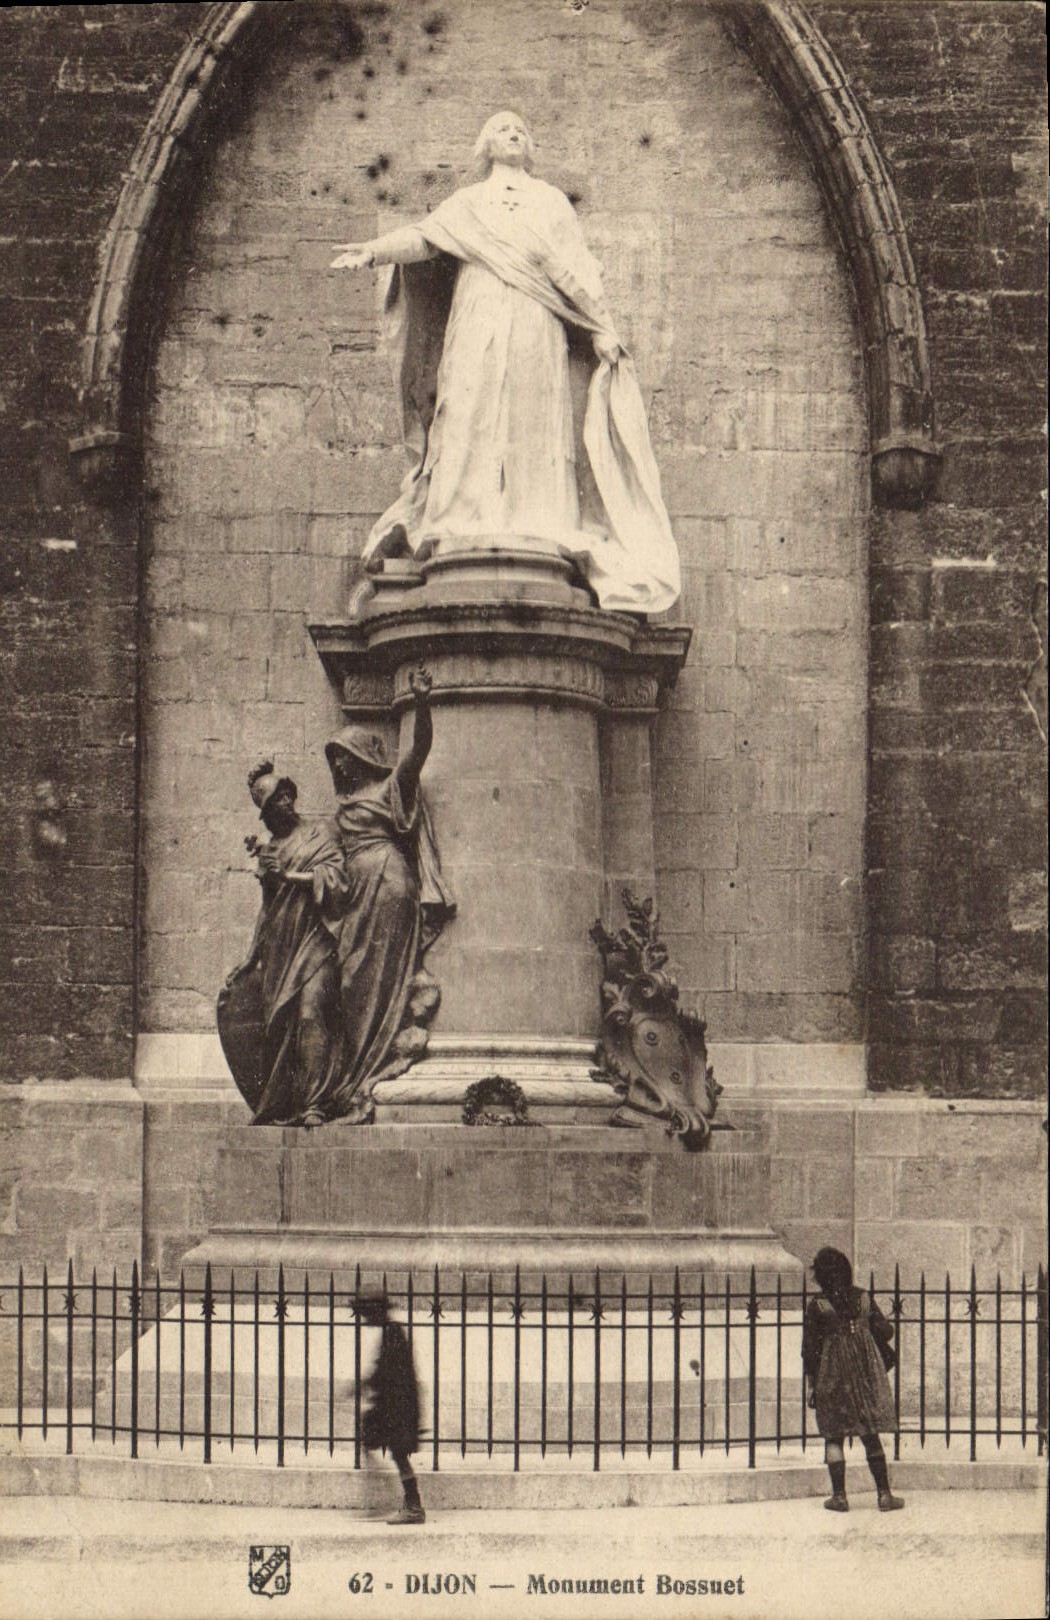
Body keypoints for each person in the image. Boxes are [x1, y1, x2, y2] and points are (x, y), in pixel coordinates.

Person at [331, 111, 680, 614]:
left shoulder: (550, 201)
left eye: (520, 130)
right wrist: (374, 251)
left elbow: (574, 267)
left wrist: (602, 328)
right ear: (485, 146)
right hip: (477, 314)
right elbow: (426, 238)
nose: (512, 134)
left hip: (536, 320)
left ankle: (538, 522)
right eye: (502, 129)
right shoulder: (469, 202)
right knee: (470, 408)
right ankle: (459, 518)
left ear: (528, 146)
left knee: (531, 416)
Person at [322, 666, 453, 1121]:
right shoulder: (342, 810)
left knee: (378, 978)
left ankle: (365, 1072)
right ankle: (354, 1074)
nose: (338, 765)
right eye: (333, 758)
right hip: (354, 895)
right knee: (352, 978)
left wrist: (421, 703)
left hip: (389, 885)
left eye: (343, 756)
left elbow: (417, 752)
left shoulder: (388, 789)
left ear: (361, 757)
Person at [217, 765, 347, 1127]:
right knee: (281, 1024)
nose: (287, 802)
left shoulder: (320, 833)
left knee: (310, 1013)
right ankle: (292, 1101)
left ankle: (316, 1104)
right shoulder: (271, 849)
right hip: (282, 945)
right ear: (267, 811)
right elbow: (267, 910)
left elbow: (338, 880)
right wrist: (249, 959)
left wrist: (289, 876)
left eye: (288, 793)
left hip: (317, 938)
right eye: (277, 799)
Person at [802, 1246, 904, 1513]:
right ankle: (884, 1495)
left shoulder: (818, 1306)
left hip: (831, 1373)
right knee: (870, 1432)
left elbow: (809, 1351)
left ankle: (839, 1497)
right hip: (864, 1373)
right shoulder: (863, 1298)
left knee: (833, 1433)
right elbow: (886, 1330)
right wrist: (864, 1332)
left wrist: (812, 1385)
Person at [356, 1292, 425, 1525]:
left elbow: (389, 1372)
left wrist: (367, 1386)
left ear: (377, 1312)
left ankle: (413, 1507)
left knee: (397, 1454)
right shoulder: (391, 1332)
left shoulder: (393, 1333)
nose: (365, 1320)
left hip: (398, 1408)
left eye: (366, 1315)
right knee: (380, 1446)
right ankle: (402, 1503)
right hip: (394, 1406)